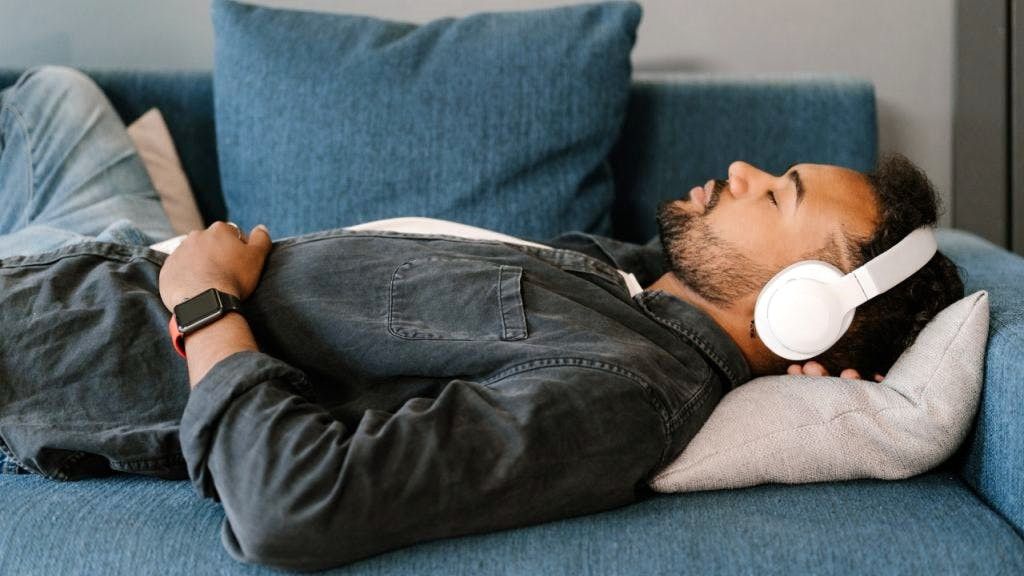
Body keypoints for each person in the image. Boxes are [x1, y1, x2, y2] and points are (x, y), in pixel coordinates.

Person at [0, 66, 964, 570]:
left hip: (61, 331)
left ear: (801, 308)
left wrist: (203, 303)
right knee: (54, 99)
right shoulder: (638, 296)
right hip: (113, 250)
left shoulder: (624, 392)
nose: (747, 170)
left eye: (780, 195)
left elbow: (295, 503)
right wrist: (829, 358)